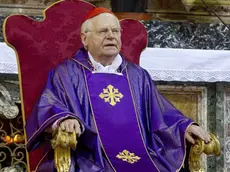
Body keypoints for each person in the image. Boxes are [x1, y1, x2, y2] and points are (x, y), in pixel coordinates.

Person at [25, 7, 210, 172]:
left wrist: (184, 126)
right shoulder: (67, 73)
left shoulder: (137, 75)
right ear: (85, 39)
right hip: (92, 158)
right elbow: (50, 105)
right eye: (103, 31)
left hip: (144, 155)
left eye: (115, 31)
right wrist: (64, 119)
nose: (111, 36)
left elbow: (160, 113)